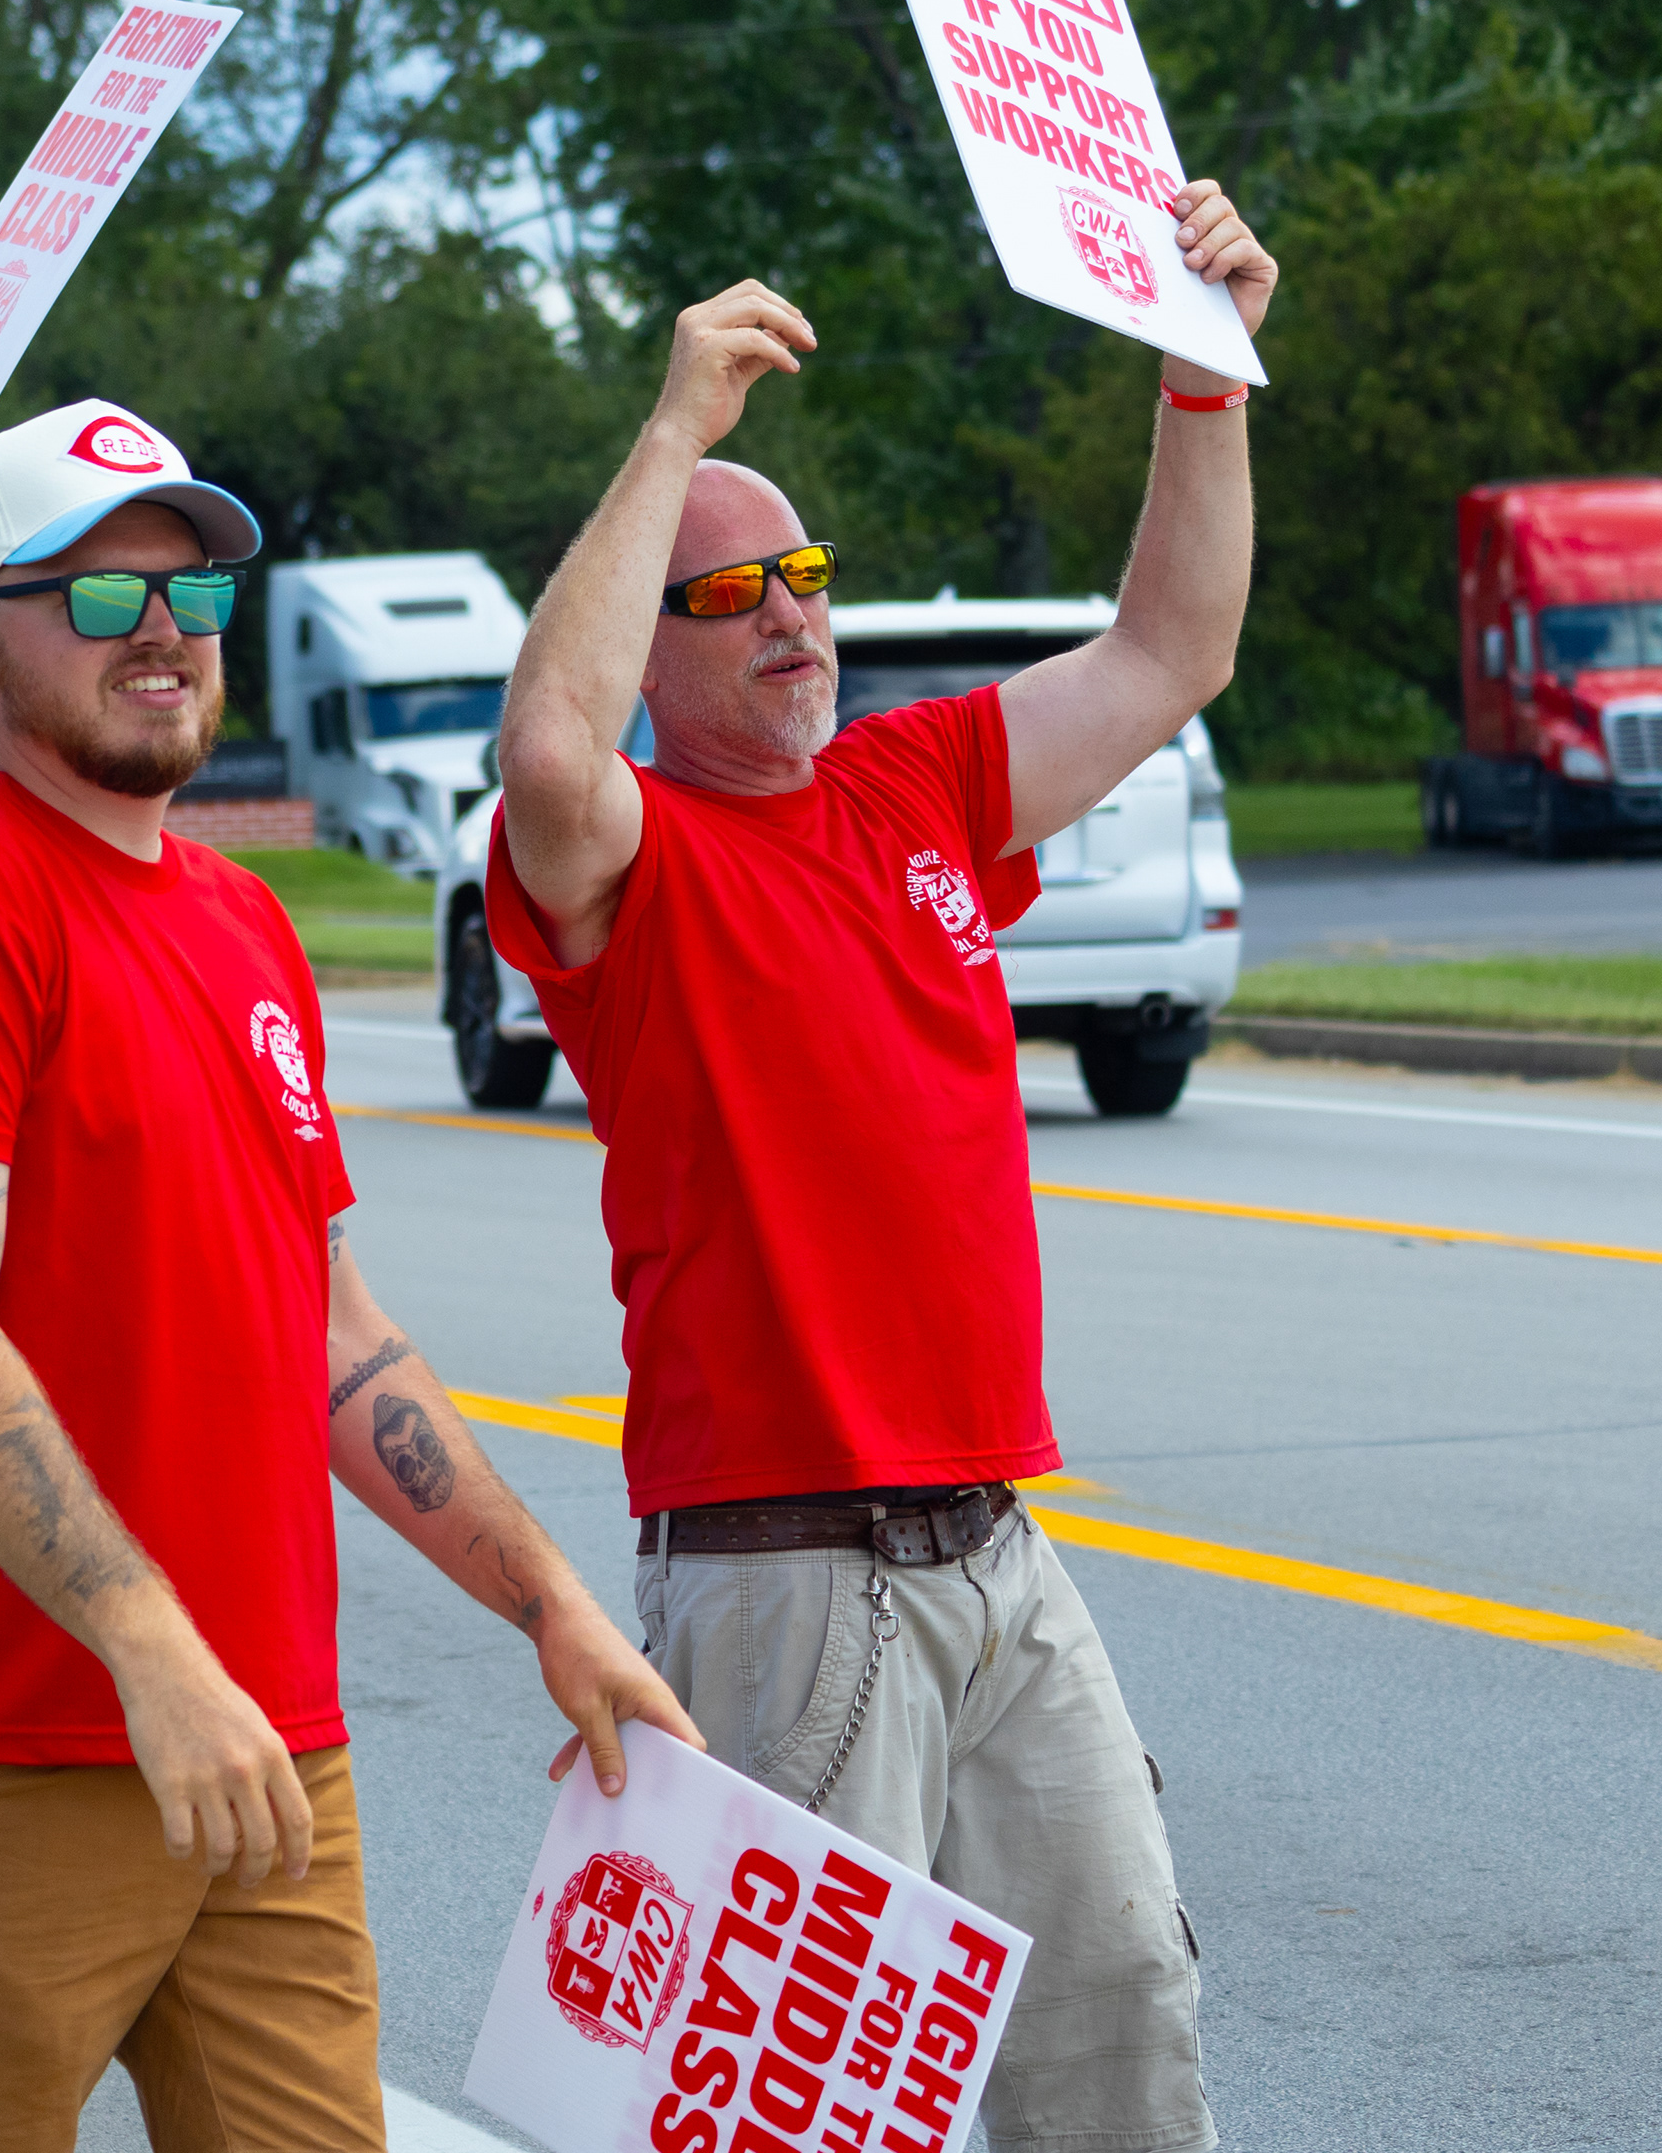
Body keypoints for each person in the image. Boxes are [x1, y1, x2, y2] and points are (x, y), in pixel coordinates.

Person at [0, 401, 694, 2151]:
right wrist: (153, 1650)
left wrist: (552, 1608)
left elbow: (337, 1340)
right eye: (101, 592)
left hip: (268, 1749)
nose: (161, 632)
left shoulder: (240, 920)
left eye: (193, 598)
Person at [483, 194, 1279, 2153]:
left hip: (994, 1545)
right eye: (731, 594)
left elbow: (1173, 649)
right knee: (800, 2124)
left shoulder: (916, 787)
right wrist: (672, 429)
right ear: (652, 648)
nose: (794, 613)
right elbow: (549, 745)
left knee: (1123, 2016)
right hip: (788, 1567)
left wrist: (1205, 369)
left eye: (809, 574)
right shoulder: (628, 864)